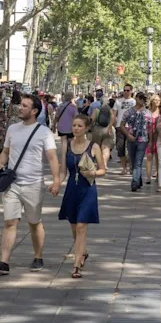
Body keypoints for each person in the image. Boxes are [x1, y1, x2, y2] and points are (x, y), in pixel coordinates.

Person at [0, 94, 60, 276]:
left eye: (25, 106)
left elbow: (52, 158)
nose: (20, 108)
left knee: (34, 223)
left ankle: (38, 256)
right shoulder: (12, 129)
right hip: (12, 184)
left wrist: (56, 180)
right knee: (10, 222)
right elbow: (5, 151)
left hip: (34, 184)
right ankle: (4, 262)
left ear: (34, 111)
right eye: (21, 105)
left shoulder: (44, 133)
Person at [58, 114, 106, 279]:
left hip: (88, 189)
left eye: (79, 126)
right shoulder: (66, 145)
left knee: (81, 227)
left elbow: (102, 169)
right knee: (74, 226)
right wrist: (57, 183)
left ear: (86, 128)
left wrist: (93, 172)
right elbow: (63, 169)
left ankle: (76, 264)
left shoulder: (93, 147)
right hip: (72, 189)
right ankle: (82, 252)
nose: (76, 129)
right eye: (74, 126)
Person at [122, 92, 151, 191]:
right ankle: (138, 179)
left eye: (144, 98)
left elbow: (150, 128)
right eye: (141, 98)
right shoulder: (128, 112)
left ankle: (134, 182)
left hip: (143, 140)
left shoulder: (147, 112)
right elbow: (122, 125)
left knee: (138, 162)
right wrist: (128, 135)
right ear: (136, 98)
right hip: (131, 139)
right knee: (133, 162)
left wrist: (150, 141)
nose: (142, 100)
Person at [113, 84, 136, 175]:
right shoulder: (118, 101)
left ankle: (131, 167)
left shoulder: (134, 102)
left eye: (128, 90)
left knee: (131, 148)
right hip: (120, 127)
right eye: (124, 90)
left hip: (131, 127)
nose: (126, 92)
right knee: (120, 148)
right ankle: (124, 168)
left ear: (131, 91)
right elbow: (114, 113)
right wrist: (113, 124)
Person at [91, 95, 115, 171]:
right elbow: (114, 119)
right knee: (106, 148)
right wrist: (110, 126)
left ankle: (99, 164)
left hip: (97, 130)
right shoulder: (110, 110)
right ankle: (104, 164)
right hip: (108, 129)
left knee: (97, 147)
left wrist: (91, 128)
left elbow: (92, 119)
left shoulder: (97, 110)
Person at [144, 95, 159, 184]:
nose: (157, 101)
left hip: (159, 137)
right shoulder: (147, 112)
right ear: (151, 101)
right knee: (149, 156)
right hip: (149, 137)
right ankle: (148, 177)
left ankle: (158, 174)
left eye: (158, 100)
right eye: (155, 100)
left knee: (158, 157)